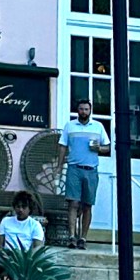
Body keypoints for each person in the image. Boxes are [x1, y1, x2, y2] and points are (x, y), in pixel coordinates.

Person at [58, 97, 111, 248]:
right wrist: (59, 166)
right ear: (77, 110)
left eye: (86, 109)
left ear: (90, 110)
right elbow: (62, 146)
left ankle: (83, 238)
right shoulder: (70, 126)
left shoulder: (98, 126)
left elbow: (107, 147)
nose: (83, 112)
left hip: (91, 170)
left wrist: (98, 149)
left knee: (87, 205)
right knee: (73, 203)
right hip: (74, 168)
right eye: (81, 109)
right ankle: (72, 236)